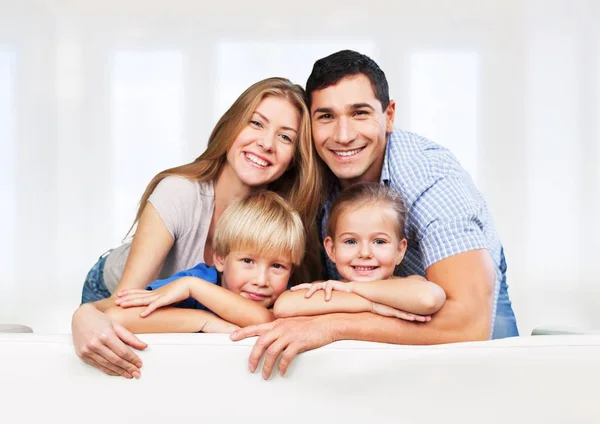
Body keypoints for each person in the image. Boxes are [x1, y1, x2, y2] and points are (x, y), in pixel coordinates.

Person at [231, 50, 519, 380]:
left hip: (458, 312)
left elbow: (468, 323)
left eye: (360, 113)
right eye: (326, 116)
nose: (343, 135)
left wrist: (331, 326)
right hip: (369, 312)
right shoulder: (311, 170)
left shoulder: (431, 178)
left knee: (490, 381)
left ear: (389, 115)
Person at [71, 77, 325, 379]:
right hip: (116, 291)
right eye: (256, 123)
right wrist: (84, 315)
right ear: (232, 126)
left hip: (190, 304)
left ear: (294, 158)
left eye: (285, 138)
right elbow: (121, 306)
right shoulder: (179, 193)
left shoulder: (281, 219)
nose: (266, 144)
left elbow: (267, 317)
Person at [104, 190, 305, 334]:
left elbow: (264, 319)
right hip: (107, 276)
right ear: (219, 259)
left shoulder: (285, 298)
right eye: (248, 261)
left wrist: (193, 288)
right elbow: (116, 317)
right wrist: (203, 321)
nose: (261, 280)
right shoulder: (195, 281)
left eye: (277, 266)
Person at [273, 182, 446, 321]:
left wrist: (352, 288)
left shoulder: (410, 283)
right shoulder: (328, 289)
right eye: (350, 241)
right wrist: (372, 306)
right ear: (331, 249)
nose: (364, 253)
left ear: (400, 250)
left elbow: (428, 299)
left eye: (379, 241)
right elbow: (284, 306)